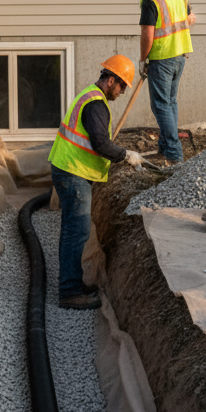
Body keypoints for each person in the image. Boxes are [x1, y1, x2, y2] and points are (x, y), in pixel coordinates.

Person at [48, 55, 145, 310]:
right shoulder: (96, 105)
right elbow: (100, 143)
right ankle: (69, 292)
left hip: (68, 167)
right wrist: (126, 155)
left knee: (72, 230)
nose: (123, 91)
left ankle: (72, 283)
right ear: (111, 79)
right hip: (73, 172)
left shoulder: (91, 96)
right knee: (76, 232)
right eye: (122, 86)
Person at [137, 0, 196, 164]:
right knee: (170, 102)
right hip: (180, 56)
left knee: (161, 106)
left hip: (162, 58)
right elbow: (191, 19)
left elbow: (147, 33)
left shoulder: (150, 0)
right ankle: (164, 148)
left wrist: (143, 58)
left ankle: (174, 154)